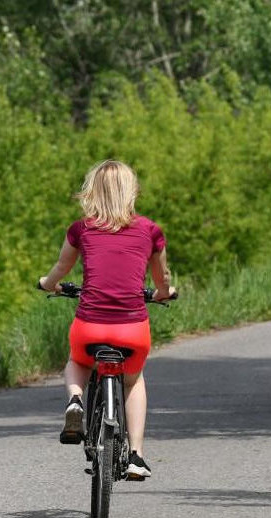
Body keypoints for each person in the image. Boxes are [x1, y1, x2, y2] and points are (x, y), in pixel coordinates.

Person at [38, 160, 175, 480]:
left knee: (77, 361)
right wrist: (163, 293)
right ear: (132, 191)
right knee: (133, 380)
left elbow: (61, 268)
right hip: (132, 330)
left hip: (90, 326)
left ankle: (75, 400)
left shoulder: (81, 229)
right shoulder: (150, 230)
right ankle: (137, 455)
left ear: (91, 192)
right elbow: (162, 279)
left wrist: (48, 283)